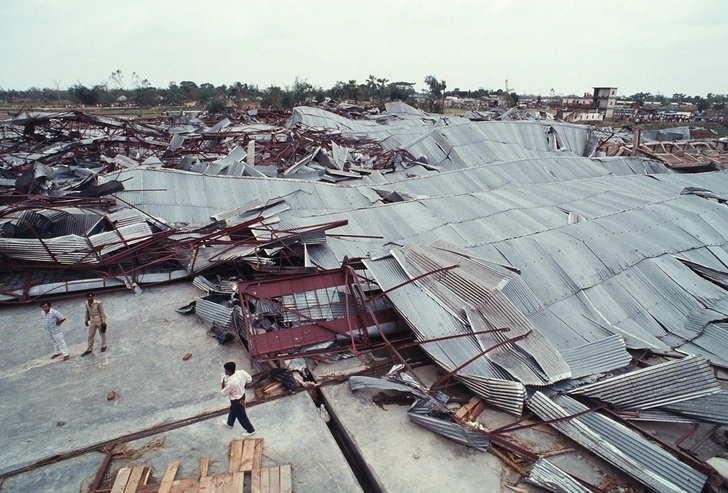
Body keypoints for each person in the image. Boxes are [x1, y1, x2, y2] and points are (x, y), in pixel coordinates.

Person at [221, 362, 255, 436]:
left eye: (226, 370)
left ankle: (250, 430)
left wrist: (222, 382)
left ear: (229, 371)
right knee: (233, 410)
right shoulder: (241, 372)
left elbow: (223, 393)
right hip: (242, 396)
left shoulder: (231, 383)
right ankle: (230, 423)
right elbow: (249, 380)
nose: (225, 371)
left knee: (241, 415)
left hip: (236, 400)